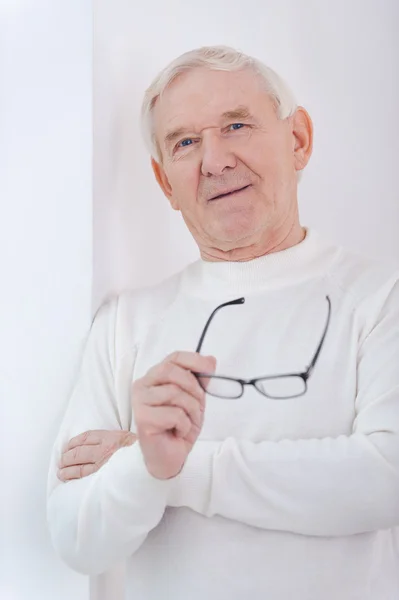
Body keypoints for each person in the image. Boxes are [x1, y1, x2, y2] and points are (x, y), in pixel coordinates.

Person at [47, 45, 399, 600]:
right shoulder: (125, 323)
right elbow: (76, 540)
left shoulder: (381, 299)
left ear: (298, 140)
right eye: (185, 142)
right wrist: (144, 465)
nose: (214, 160)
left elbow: (385, 478)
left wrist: (168, 465)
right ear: (166, 183)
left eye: (236, 125)